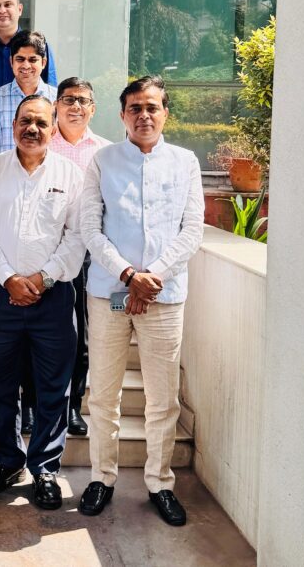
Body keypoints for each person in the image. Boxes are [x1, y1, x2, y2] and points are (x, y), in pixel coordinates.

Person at [78, 75, 204, 526]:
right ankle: (101, 477)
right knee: (103, 393)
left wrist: (153, 277)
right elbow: (90, 228)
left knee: (163, 397)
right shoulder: (102, 161)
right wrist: (130, 276)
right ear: (122, 115)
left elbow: (192, 230)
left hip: (163, 298)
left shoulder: (185, 162)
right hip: (111, 293)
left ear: (166, 113)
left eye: (152, 107)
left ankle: (160, 482)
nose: (144, 115)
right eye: (135, 108)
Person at [0, 94, 84, 510]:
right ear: (13, 125)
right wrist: (9, 278)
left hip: (54, 299)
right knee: (0, 386)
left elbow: (77, 235)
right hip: (1, 296)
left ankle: (45, 468)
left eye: (40, 122)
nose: (32, 129)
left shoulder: (71, 175)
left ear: (53, 129)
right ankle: (6, 462)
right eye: (25, 121)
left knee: (53, 388)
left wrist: (43, 277)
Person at [48, 77, 111, 437]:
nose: (75, 107)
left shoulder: (105, 152)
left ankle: (72, 407)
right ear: (55, 105)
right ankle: (34, 405)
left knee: (81, 337)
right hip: (44, 254)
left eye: (82, 101)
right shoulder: (42, 144)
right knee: (40, 334)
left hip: (89, 256)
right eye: (68, 99)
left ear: (93, 109)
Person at [0, 30, 57, 159]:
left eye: (33, 59)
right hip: (3, 171)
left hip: (47, 171)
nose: (26, 65)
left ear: (43, 63)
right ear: (11, 62)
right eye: (20, 59)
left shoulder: (57, 99)